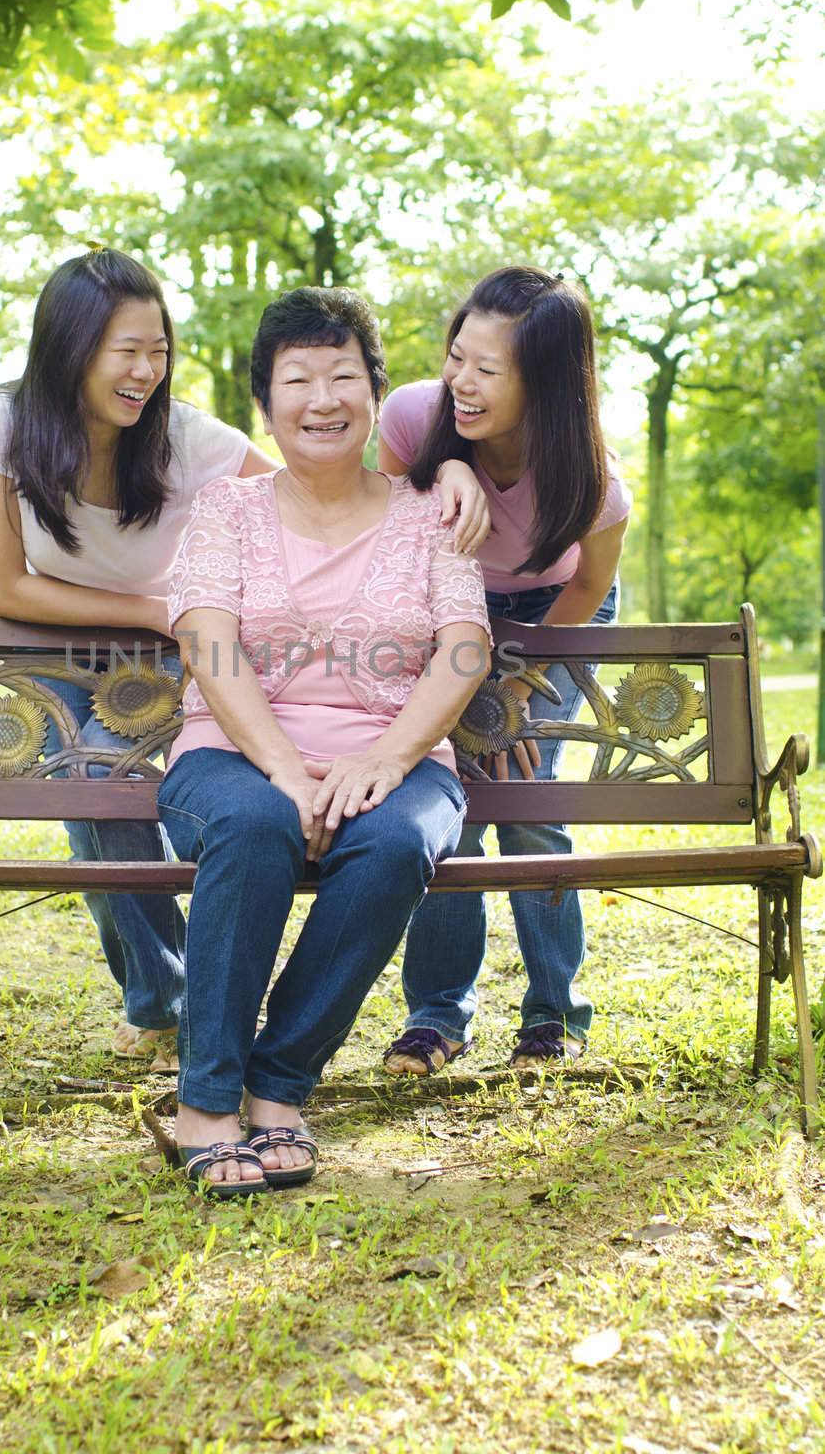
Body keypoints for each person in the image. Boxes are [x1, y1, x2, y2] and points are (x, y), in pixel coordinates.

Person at [157, 285, 492, 1197]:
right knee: (258, 823)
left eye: (344, 375)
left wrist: (385, 759)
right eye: (296, 379)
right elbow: (207, 642)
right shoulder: (227, 510)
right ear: (264, 403)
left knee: (398, 838)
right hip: (231, 757)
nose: (322, 398)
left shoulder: (433, 513)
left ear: (377, 393)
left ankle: (278, 1089)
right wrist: (281, 770)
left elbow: (464, 648)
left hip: (399, 756)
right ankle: (205, 1105)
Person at [0, 246, 279, 1066]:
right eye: (125, 350)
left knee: (106, 782)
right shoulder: (1, 425)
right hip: (60, 648)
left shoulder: (187, 439)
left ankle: (162, 998)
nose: (146, 370)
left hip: (168, 656)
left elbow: (307, 498)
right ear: (70, 349)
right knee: (92, 790)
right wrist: (156, 610)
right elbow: (9, 589)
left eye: (158, 350)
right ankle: (164, 994)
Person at [377, 266, 631, 1076]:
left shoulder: (593, 479)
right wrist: (444, 469)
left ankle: (556, 1016)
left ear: (548, 384)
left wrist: (516, 687)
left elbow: (589, 587)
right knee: (453, 808)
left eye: (488, 371)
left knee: (524, 799)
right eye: (458, 357)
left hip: (554, 615)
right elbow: (379, 526)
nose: (462, 382)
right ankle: (436, 1017)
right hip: (444, 610)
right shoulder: (416, 417)